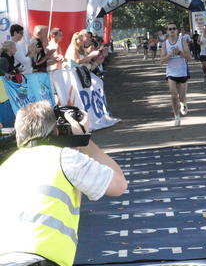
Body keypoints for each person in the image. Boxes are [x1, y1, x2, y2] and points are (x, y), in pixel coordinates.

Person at [0, 101, 127, 266]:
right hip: (38, 259)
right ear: (57, 130)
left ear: (18, 137)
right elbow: (119, 185)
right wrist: (83, 139)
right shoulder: (64, 158)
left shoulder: (6, 166)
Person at [160, 23, 192, 126]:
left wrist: (179, 53)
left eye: (174, 28)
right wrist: (169, 55)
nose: (172, 30)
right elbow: (161, 61)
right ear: (167, 32)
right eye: (170, 29)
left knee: (181, 98)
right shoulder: (165, 44)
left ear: (177, 31)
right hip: (171, 72)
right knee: (174, 96)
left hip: (182, 72)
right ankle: (176, 116)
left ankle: (183, 103)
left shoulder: (182, 41)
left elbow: (189, 57)